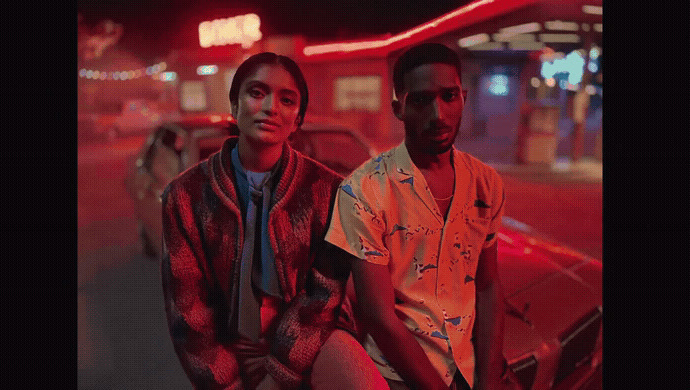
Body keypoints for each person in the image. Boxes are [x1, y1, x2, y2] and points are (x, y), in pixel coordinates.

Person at [161, 52, 387, 390]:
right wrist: (225, 382)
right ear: (235, 105)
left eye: (287, 99)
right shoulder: (185, 195)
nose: (271, 107)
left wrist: (277, 372)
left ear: (297, 119)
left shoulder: (326, 190)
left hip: (314, 342)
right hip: (231, 347)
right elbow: (188, 311)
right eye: (256, 93)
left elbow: (324, 294)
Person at [325, 43, 521, 390]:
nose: (439, 115)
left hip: (468, 368)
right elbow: (379, 316)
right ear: (398, 108)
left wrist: (489, 379)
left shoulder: (485, 183)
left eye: (449, 96)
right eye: (420, 100)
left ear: (464, 96)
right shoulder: (365, 189)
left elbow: (488, 285)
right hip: (397, 376)